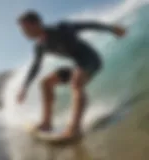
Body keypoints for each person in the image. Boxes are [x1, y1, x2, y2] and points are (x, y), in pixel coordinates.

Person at [17, 10, 126, 140]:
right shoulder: (40, 46)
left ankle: (75, 129)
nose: (24, 33)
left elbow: (88, 25)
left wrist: (112, 29)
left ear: (36, 23)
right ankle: (47, 124)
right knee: (45, 83)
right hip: (78, 65)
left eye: (25, 28)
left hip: (91, 60)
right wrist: (25, 87)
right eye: (22, 30)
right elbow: (35, 66)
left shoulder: (61, 29)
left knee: (76, 81)